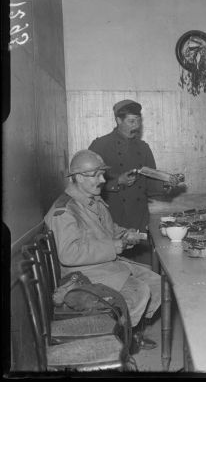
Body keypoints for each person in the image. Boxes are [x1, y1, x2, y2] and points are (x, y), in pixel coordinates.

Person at [45, 149, 161, 352]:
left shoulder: (92, 201)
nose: (102, 180)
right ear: (79, 178)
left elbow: (108, 229)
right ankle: (121, 342)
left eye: (103, 174)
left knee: (157, 283)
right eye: (97, 175)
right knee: (140, 292)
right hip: (85, 277)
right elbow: (69, 253)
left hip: (106, 266)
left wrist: (125, 234)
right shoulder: (64, 211)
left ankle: (131, 332)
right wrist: (114, 246)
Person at [88, 99, 179, 233]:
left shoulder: (143, 148)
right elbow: (86, 185)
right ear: (119, 120)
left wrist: (166, 183)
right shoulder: (100, 146)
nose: (136, 126)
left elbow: (150, 183)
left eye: (138, 121)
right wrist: (117, 181)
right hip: (112, 217)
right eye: (131, 121)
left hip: (140, 218)